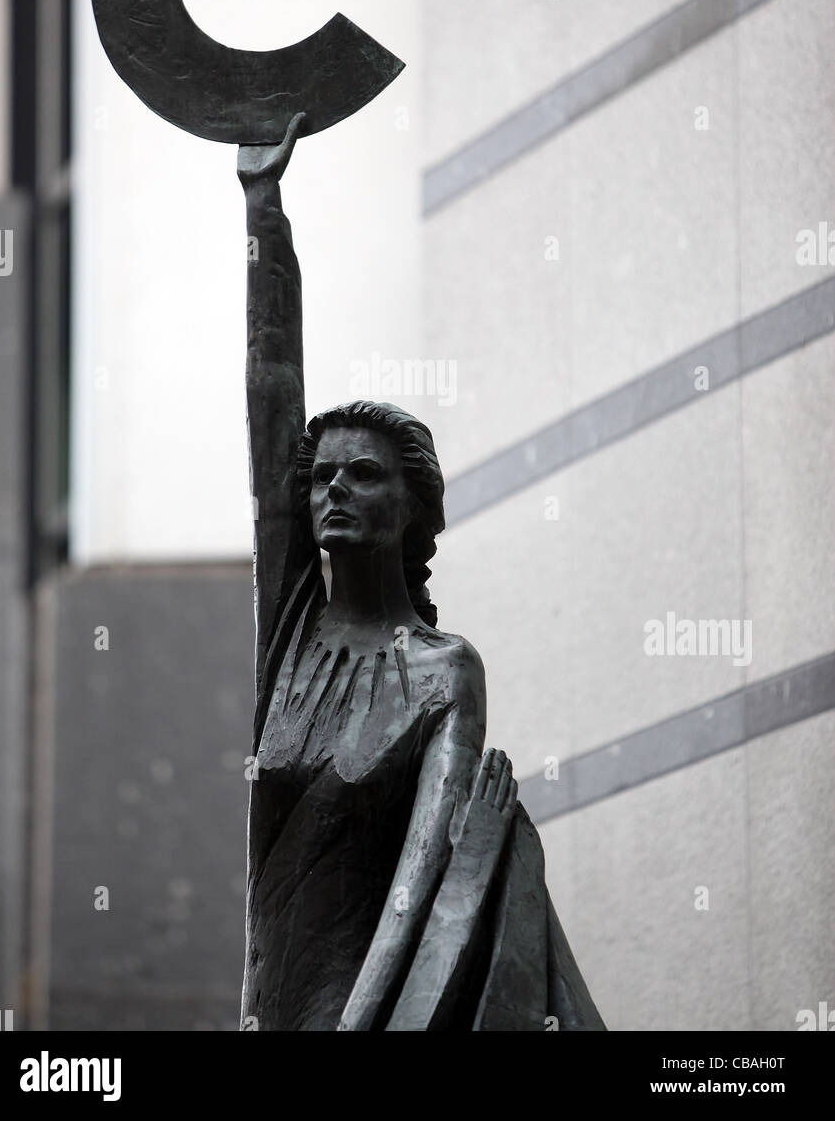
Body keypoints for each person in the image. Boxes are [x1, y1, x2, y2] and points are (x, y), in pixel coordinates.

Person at [238, 114, 604, 1031]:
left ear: (415, 509)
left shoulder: (445, 671)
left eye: (363, 475)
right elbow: (270, 389)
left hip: (376, 1007)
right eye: (321, 477)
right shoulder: (290, 629)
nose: (332, 492)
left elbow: (417, 893)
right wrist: (262, 210)